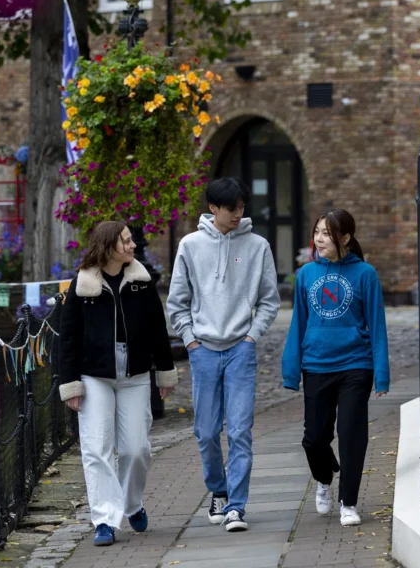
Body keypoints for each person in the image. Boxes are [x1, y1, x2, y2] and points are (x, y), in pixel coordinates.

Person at [166, 177, 280, 533]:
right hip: (203, 351)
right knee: (205, 431)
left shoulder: (258, 246)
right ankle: (217, 488)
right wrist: (190, 340)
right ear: (213, 208)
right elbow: (176, 302)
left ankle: (236, 506)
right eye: (231, 208)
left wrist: (251, 337)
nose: (238, 213)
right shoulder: (190, 245)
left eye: (242, 207)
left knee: (241, 430)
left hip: (240, 351)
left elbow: (269, 300)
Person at [58, 221, 178, 547]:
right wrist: (71, 384)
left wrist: (164, 373)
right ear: (109, 246)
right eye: (126, 241)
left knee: (136, 449)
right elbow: (67, 339)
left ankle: (132, 503)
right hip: (94, 377)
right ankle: (104, 520)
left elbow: (158, 330)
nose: (132, 245)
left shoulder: (142, 282)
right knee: (97, 449)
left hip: (136, 377)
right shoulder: (83, 287)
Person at [281, 208, 390, 527]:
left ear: (345, 238)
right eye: (316, 232)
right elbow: (298, 324)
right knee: (314, 438)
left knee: (352, 433)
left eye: (326, 234)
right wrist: (291, 370)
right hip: (316, 365)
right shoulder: (305, 275)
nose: (319, 239)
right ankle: (324, 478)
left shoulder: (365, 274)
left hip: (356, 364)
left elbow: (377, 325)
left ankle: (349, 502)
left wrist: (381, 374)